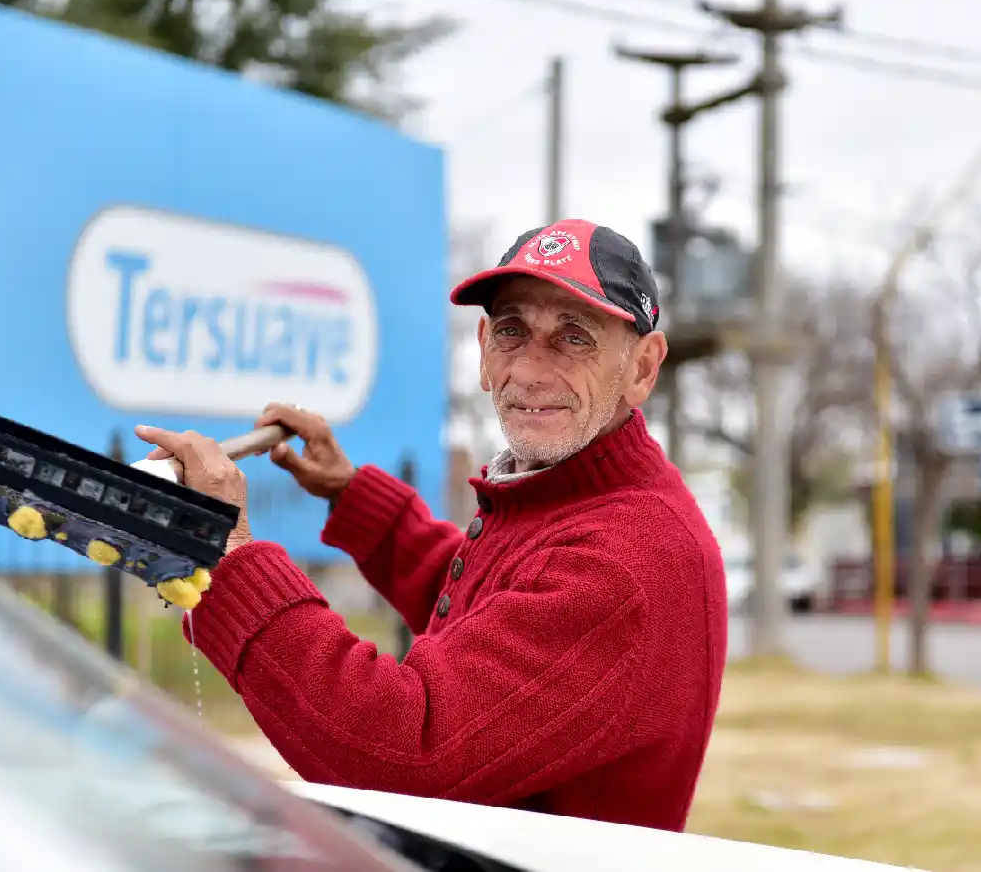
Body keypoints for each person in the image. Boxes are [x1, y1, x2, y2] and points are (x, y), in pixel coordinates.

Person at [135, 218, 727, 833]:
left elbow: (399, 750)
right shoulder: (587, 502)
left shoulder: (625, 558)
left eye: (574, 338)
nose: (528, 371)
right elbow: (502, 611)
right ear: (481, 345)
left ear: (642, 367)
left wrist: (230, 554)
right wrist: (353, 496)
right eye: (511, 330)